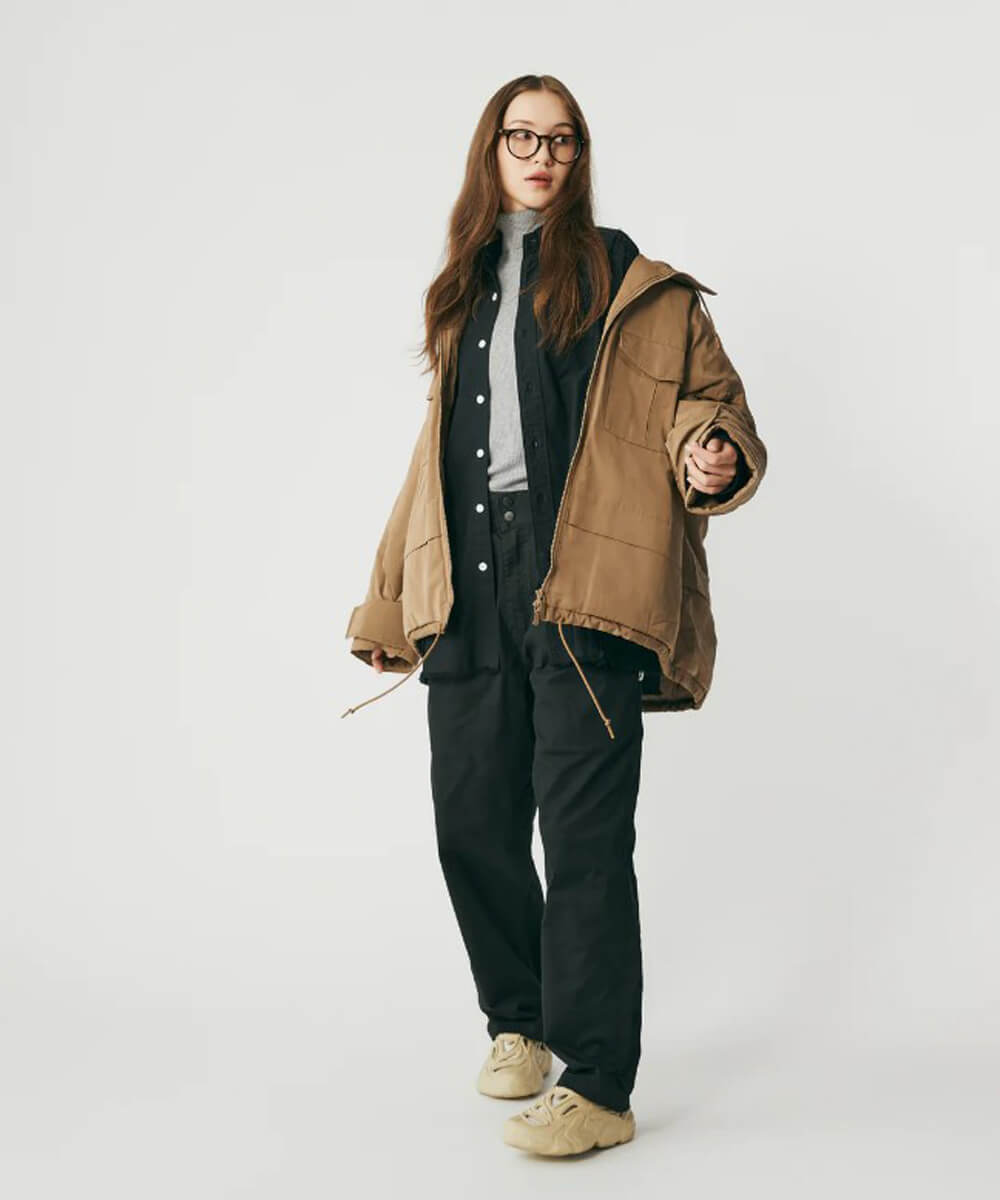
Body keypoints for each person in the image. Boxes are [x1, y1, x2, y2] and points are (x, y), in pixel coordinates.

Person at [342, 74, 767, 1157]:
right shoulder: (462, 287)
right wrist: (391, 598)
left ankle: (599, 1086)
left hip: (585, 581)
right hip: (471, 583)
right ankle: (519, 1023)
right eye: (522, 137)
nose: (542, 156)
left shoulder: (634, 283)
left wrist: (711, 451)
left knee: (583, 842)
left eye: (562, 140)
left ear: (581, 158)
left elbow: (707, 404)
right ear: (490, 151)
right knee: (470, 821)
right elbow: (433, 461)